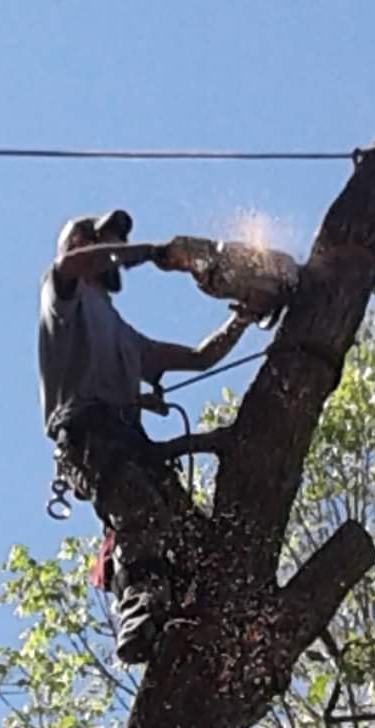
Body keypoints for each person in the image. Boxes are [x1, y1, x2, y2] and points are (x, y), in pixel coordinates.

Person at [38, 209, 254, 663]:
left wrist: (246, 316)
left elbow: (201, 358)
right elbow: (75, 265)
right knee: (142, 512)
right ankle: (138, 610)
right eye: (89, 241)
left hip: (132, 444)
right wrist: (154, 253)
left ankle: (205, 624)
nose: (98, 251)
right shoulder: (62, 297)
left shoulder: (123, 335)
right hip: (90, 436)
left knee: (196, 537)